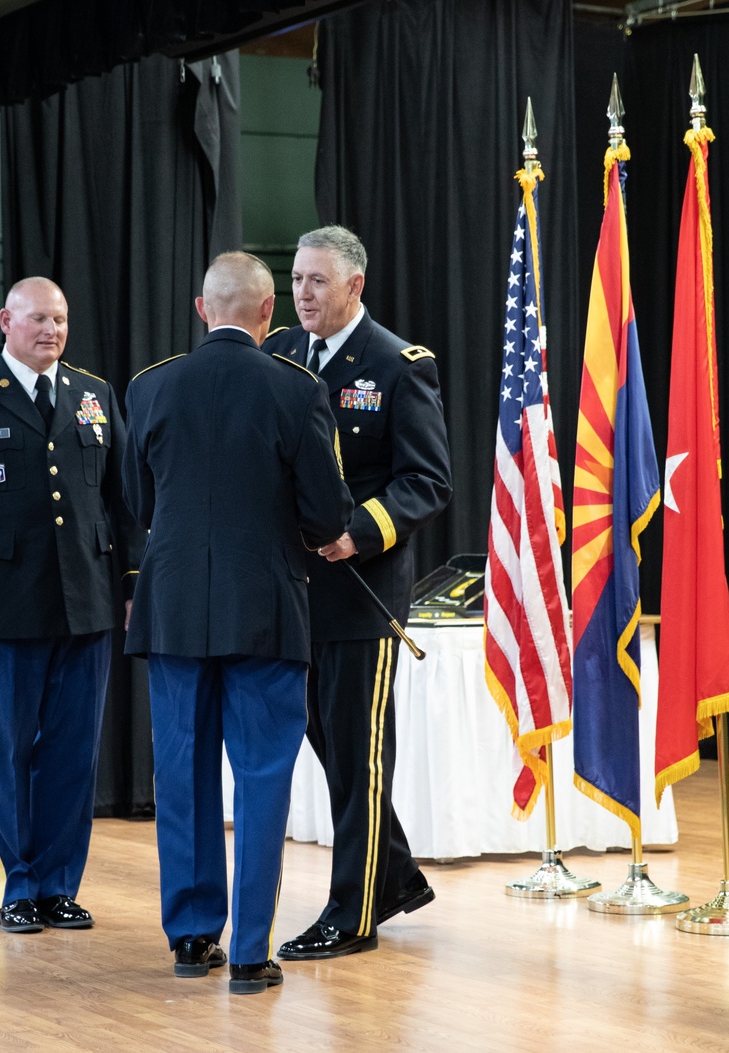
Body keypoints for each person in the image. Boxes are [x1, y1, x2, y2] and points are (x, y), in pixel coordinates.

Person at [123, 252, 353, 994]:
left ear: (201, 309)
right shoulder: (297, 389)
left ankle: (193, 937)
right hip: (266, 612)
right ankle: (251, 950)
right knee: (262, 780)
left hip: (176, 610)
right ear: (267, 315)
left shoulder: (149, 387)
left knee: (183, 774)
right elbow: (326, 514)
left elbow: (138, 504)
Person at [0, 277, 138, 933]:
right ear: (6, 319)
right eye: (40, 318)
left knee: (73, 753)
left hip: (85, 604)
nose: (53, 330)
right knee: (4, 750)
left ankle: (59, 883)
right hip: (0, 608)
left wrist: (129, 584)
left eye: (62, 318)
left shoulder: (92, 392)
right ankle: (15, 885)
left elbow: (121, 499)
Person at [265, 226, 452, 961]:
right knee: (335, 751)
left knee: (359, 752)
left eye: (317, 281)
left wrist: (359, 533)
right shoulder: (278, 353)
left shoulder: (398, 365)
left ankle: (353, 912)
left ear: (354, 286)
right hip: (292, 591)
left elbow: (428, 480)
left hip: (361, 594)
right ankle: (394, 873)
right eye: (297, 279)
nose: (303, 293)